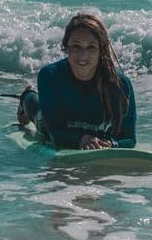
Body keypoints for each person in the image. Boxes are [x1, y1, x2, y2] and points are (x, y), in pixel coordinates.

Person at [17, 13, 136, 150]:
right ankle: (27, 95)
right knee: (38, 113)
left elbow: (130, 139)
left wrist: (111, 144)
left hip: (96, 137)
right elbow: (55, 134)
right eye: (76, 46)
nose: (83, 54)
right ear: (66, 48)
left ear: (101, 50)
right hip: (53, 124)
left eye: (91, 47)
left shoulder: (120, 84)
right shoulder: (50, 76)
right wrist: (80, 140)